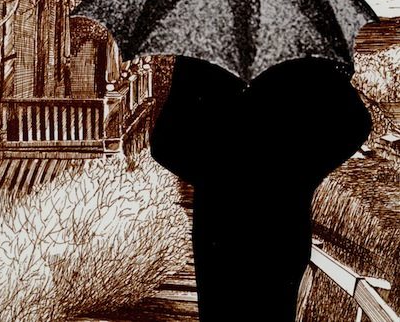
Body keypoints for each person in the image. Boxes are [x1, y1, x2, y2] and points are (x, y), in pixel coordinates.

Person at [150, 55, 372, 321]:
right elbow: (356, 124)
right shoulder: (306, 58)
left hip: (221, 227)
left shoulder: (205, 54)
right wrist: (301, 174)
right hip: (281, 226)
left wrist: (220, 176)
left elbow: (164, 144)